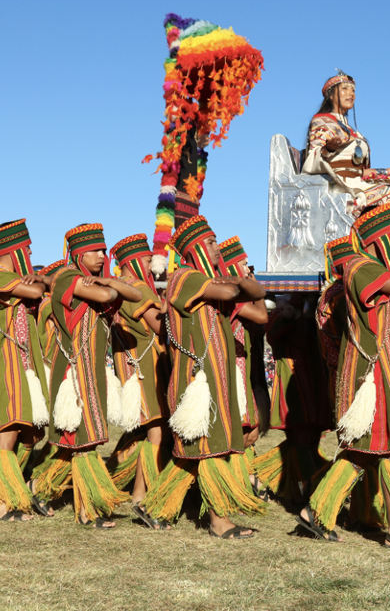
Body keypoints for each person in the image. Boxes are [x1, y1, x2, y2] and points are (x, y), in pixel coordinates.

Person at [298, 204, 390, 548]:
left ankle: (315, 512)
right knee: (388, 449)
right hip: (372, 373)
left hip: (387, 368)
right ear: (378, 235)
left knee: (367, 450)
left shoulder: (377, 270)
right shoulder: (360, 266)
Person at [140, 216, 268, 539]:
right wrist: (235, 281)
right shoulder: (185, 277)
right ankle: (219, 522)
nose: (217, 247)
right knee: (211, 447)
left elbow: (258, 292)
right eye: (210, 242)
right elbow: (234, 291)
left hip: (216, 376)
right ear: (195, 247)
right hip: (197, 381)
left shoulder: (208, 279)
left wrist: (236, 278)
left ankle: (154, 506)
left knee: (193, 453)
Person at [31, 223, 142, 529]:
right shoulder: (66, 277)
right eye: (94, 250)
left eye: (103, 250)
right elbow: (108, 293)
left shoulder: (92, 280)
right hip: (73, 371)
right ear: (78, 254)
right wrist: (109, 285)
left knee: (77, 441)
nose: (101, 256)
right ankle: (88, 510)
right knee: (85, 442)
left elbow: (134, 293)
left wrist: (107, 279)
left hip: (91, 369)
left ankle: (38, 486)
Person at [0, 218, 52, 521]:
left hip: (21, 363)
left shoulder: (11, 276)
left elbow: (39, 286)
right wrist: (37, 282)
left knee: (30, 434)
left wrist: (38, 281)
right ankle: (3, 504)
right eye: (27, 248)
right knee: (7, 432)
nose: (30, 253)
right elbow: (35, 292)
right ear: (14, 249)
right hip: (0, 361)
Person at [301, 71, 390, 270]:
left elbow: (357, 170)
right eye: (344, 89)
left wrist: (385, 173)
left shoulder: (350, 128)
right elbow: (313, 159)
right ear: (330, 95)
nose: (351, 94)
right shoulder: (322, 121)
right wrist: (328, 148)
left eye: (353, 90)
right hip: (337, 187)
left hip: (355, 182)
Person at [106, 233, 172, 528]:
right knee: (156, 433)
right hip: (147, 369)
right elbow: (160, 327)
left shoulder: (118, 287)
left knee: (144, 432)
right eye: (147, 259)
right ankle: (141, 496)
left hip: (130, 370)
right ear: (133, 260)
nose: (152, 265)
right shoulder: (138, 288)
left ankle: (113, 477)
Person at [215, 237, 270, 499]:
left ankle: (244, 480)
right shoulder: (235, 298)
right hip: (234, 371)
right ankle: (233, 487)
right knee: (243, 434)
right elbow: (262, 315)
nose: (249, 269)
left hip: (248, 369)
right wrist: (253, 285)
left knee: (252, 433)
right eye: (244, 264)